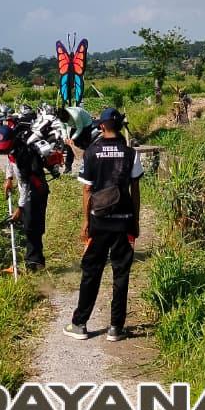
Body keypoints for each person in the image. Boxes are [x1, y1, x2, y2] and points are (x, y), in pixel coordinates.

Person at [64, 106, 143, 342]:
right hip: (124, 222)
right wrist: (135, 220)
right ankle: (116, 328)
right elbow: (135, 189)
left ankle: (80, 324)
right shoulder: (131, 154)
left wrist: (86, 222)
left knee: (91, 272)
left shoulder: (91, 152)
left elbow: (87, 190)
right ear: (119, 127)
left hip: (98, 221)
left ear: (101, 126)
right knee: (121, 274)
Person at [0, 123, 50, 273]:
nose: (5, 150)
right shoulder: (13, 150)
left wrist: (20, 208)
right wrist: (8, 178)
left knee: (32, 227)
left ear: (12, 140)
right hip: (27, 191)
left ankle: (35, 263)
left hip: (36, 192)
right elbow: (9, 160)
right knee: (28, 225)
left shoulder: (23, 155)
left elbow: (26, 185)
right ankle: (32, 261)